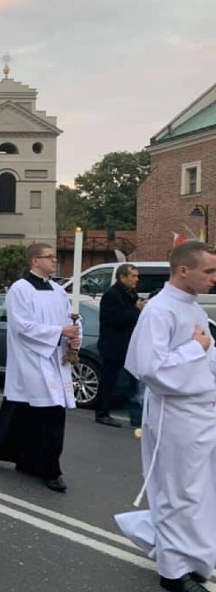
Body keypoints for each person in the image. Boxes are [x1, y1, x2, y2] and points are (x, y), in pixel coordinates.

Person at [116, 242, 216, 592]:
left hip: (203, 412)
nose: (214, 279)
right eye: (209, 271)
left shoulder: (195, 309)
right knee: (178, 492)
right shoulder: (159, 310)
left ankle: (194, 559)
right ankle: (173, 572)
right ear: (184, 270)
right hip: (175, 414)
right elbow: (149, 368)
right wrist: (194, 348)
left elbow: (208, 359)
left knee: (202, 492)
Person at [0, 242, 81, 493]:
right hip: (32, 359)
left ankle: (30, 460)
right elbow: (21, 326)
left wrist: (73, 337)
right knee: (47, 415)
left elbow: (68, 319)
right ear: (35, 261)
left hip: (55, 358)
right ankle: (51, 469)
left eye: (54, 256)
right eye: (49, 257)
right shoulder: (20, 289)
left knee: (44, 414)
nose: (54, 260)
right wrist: (60, 331)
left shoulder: (58, 290)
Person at [96, 264, 146, 428]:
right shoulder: (111, 295)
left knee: (135, 381)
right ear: (122, 277)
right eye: (133, 276)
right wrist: (136, 310)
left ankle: (136, 417)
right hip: (113, 346)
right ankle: (102, 413)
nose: (136, 279)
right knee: (109, 380)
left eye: (137, 276)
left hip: (130, 345)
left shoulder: (131, 294)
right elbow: (115, 319)